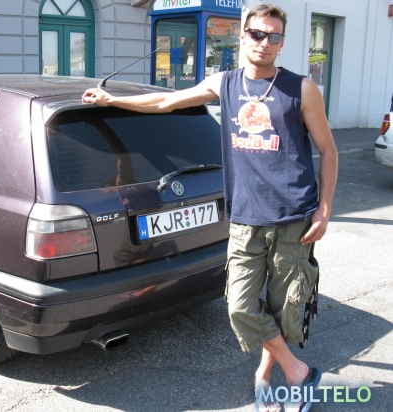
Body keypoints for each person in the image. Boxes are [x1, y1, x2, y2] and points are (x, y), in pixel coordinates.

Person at [83, 4, 338, 412]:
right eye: (257, 34)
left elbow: (328, 150)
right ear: (243, 36)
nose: (264, 42)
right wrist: (113, 100)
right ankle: (298, 371)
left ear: (282, 43)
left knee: (283, 309)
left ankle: (266, 377)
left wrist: (324, 210)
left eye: (273, 36)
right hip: (245, 218)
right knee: (240, 306)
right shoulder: (225, 83)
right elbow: (167, 103)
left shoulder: (301, 89)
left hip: (293, 217)